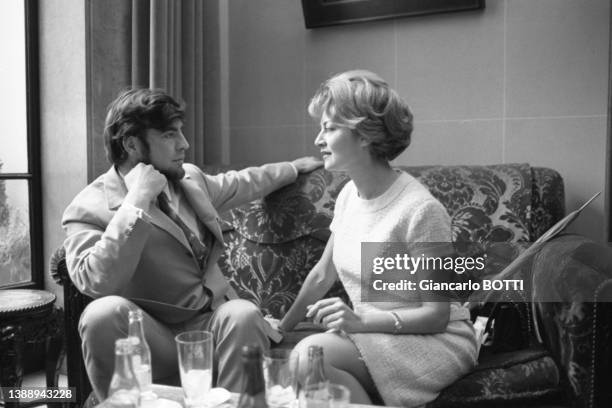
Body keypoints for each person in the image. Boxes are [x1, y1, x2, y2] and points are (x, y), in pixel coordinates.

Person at [61, 88, 322, 400]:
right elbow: (95, 281)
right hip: (150, 337)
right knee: (100, 314)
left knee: (243, 313)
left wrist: (293, 168)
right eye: (170, 135)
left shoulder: (190, 179)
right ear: (131, 143)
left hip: (211, 325)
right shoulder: (88, 207)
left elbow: (242, 182)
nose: (184, 144)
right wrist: (137, 201)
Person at [278, 70, 478, 407]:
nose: (318, 140)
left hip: (433, 339)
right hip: (374, 334)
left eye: (329, 128)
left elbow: (436, 314)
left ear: (364, 135)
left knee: (309, 359)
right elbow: (321, 276)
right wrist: (280, 330)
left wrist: (359, 321)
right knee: (306, 369)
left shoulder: (420, 209)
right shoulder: (348, 196)